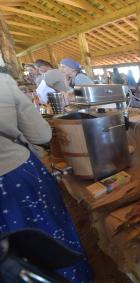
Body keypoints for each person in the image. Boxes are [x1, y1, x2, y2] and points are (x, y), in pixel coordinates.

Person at [0, 72, 92, 282]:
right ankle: (69, 277)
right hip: (16, 177)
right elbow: (42, 136)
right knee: (45, 234)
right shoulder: (3, 83)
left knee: (8, 257)